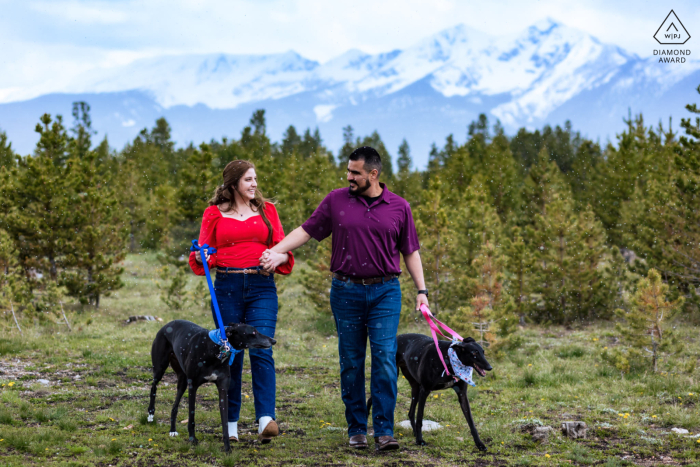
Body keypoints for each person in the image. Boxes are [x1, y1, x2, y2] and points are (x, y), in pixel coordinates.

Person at [260, 147, 429, 451]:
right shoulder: (336, 200)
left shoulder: (399, 207)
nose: (349, 177)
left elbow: (410, 251)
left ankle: (384, 431)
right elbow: (307, 231)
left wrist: (422, 291)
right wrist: (278, 250)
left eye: (355, 173)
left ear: (373, 174)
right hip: (346, 291)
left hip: (386, 292)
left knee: (385, 360)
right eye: (348, 171)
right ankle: (356, 429)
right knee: (351, 362)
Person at [189, 160, 293, 444]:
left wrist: (278, 257)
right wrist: (202, 256)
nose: (254, 184)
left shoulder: (268, 211)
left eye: (255, 179)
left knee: (262, 349)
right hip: (226, 287)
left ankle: (265, 420)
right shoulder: (213, 214)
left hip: (261, 286)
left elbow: (284, 249)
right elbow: (204, 251)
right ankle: (231, 425)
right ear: (233, 183)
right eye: (248, 179)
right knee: (231, 354)